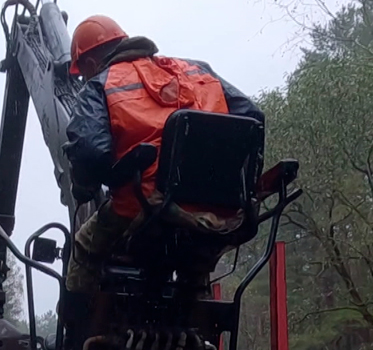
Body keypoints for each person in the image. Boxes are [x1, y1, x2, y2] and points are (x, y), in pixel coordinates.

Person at [61, 15, 265, 294]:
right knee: (197, 258)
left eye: (84, 72)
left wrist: (86, 184)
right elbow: (252, 118)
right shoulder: (197, 71)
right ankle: (195, 310)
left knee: (83, 247)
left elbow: (90, 155)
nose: (86, 78)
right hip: (223, 209)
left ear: (91, 64)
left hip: (147, 205)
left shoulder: (99, 84)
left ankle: (79, 326)